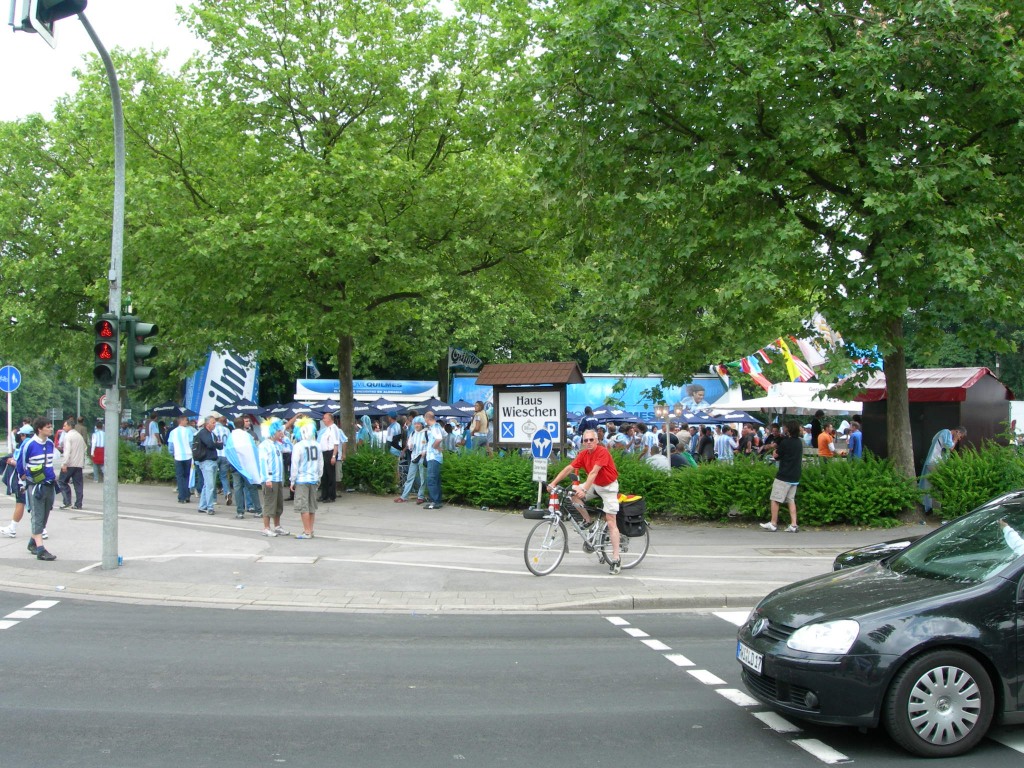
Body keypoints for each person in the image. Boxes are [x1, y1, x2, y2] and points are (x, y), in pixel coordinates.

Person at [548, 428, 623, 575]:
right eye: (585, 440)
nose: (588, 442)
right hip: (595, 485)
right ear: (583, 442)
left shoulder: (602, 452)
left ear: (597, 441)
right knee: (573, 495)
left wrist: (584, 489)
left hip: (608, 487)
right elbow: (569, 468)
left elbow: (594, 472)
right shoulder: (583, 454)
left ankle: (616, 558)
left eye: (591, 440)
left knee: (611, 521)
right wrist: (553, 483)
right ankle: (588, 520)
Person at [15, 417, 58, 560]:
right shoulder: (29, 444)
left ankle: (32, 543)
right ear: (39, 429)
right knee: (37, 515)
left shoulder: (50, 443)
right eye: (48, 427)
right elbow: (21, 463)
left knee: (45, 515)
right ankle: (40, 549)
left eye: (50, 426)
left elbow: (50, 462)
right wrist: (24, 478)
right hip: (35, 486)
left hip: (49, 484)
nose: (51, 429)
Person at [760, 420, 803, 533]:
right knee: (791, 499)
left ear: (788, 429)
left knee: (775, 498)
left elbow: (776, 455)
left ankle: (773, 523)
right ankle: (794, 524)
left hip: (784, 474)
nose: (783, 429)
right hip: (795, 475)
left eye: (785, 427)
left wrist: (775, 451)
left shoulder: (785, 442)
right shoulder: (799, 442)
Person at [920, 426, 967, 514]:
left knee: (930, 484)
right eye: (960, 437)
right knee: (940, 484)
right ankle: (936, 509)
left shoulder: (942, 433)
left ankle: (929, 508)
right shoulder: (946, 433)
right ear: (957, 432)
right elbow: (950, 447)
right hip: (934, 462)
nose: (959, 439)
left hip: (933, 462)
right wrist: (955, 439)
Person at [291, 417, 323, 539]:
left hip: (302, 479)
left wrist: (292, 480)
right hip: (314, 478)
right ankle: (311, 529)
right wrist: (319, 476)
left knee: (303, 506)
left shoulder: (298, 446)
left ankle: (307, 531)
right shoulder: (317, 445)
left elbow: (295, 465)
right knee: (311, 506)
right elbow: (320, 463)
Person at [1, 425, 35, 538]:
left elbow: (21, 463)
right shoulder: (37, 443)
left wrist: (12, 462)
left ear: (23, 435)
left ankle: (13, 528)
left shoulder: (25, 445)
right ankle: (41, 529)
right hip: (37, 479)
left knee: (21, 502)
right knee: (35, 504)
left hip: (24, 480)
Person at [258, 418, 289, 537]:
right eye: (278, 431)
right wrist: (267, 479)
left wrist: (284, 438)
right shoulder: (264, 445)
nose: (281, 433)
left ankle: (277, 526)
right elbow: (263, 463)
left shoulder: (277, 444)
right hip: (270, 479)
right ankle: (266, 527)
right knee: (269, 503)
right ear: (272, 432)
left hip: (278, 478)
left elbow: (289, 448)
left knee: (278, 504)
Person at [195, 415, 223, 515]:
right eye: (213, 423)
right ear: (207, 424)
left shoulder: (212, 434)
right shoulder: (203, 433)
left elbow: (220, 446)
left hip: (213, 460)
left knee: (207, 484)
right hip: (206, 461)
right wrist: (216, 443)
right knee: (210, 485)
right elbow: (210, 444)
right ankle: (210, 507)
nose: (215, 424)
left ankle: (202, 506)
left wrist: (215, 443)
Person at [394, 417, 427, 503]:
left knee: (422, 478)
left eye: (418, 423)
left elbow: (430, 445)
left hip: (422, 458)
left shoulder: (427, 433)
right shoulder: (413, 433)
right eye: (415, 424)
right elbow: (410, 445)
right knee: (410, 477)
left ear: (422, 424)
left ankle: (420, 496)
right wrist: (410, 446)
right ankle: (404, 496)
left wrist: (425, 451)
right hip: (414, 457)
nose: (416, 425)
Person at [57, 418, 86, 510]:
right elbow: (85, 447)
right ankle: (78, 504)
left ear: (69, 426)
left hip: (69, 464)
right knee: (78, 485)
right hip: (79, 464)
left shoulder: (68, 436)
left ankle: (67, 501)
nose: (63, 427)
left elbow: (67, 451)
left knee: (62, 481)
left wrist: (64, 463)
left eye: (65, 426)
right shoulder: (79, 436)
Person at [317, 412, 345, 503]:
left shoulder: (334, 429)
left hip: (330, 452)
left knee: (330, 475)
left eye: (325, 418)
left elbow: (336, 444)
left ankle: (331, 496)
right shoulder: (326, 429)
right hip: (324, 453)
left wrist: (333, 456)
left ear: (330, 419)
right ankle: (324, 495)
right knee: (324, 475)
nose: (323, 420)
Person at [166, 415, 195, 504]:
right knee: (187, 476)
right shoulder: (188, 431)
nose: (187, 422)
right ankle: (187, 495)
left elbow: (170, 446)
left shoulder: (173, 432)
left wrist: (172, 453)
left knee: (180, 477)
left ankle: (181, 497)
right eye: (186, 420)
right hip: (188, 456)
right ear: (181, 421)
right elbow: (191, 443)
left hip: (178, 456)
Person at [423, 410, 446, 510]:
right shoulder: (438, 427)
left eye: (425, 419)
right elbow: (444, 435)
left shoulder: (434, 428)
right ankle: (437, 500)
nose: (425, 421)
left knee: (431, 479)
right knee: (436, 480)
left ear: (428, 418)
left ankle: (434, 501)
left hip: (433, 457)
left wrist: (435, 446)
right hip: (436, 457)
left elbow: (439, 438)